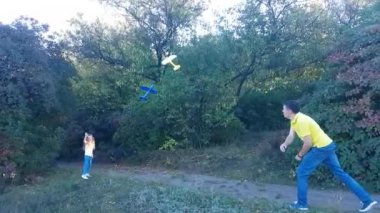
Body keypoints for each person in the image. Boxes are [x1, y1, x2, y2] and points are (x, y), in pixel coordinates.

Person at [280, 100, 377, 212]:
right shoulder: (294, 120)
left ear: (289, 110)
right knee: (341, 174)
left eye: (283, 109)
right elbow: (291, 135)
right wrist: (285, 144)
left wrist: (300, 155)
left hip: (321, 148)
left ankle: (302, 205)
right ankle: (367, 200)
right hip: (328, 146)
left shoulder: (301, 121)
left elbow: (308, 143)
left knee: (301, 172)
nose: (282, 111)